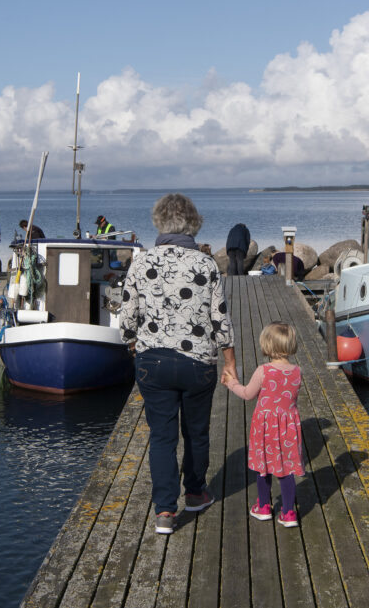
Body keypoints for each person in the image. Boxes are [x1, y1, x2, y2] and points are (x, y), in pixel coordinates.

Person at [119, 193, 237, 535]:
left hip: (152, 361)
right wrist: (229, 363)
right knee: (196, 432)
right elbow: (221, 321)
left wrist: (134, 345)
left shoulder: (141, 263)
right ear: (193, 223)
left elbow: (127, 318)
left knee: (162, 436)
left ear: (159, 222)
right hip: (198, 362)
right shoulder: (206, 264)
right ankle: (196, 492)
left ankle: (165, 513)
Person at [223, 321, 304, 528]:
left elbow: (248, 394)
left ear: (268, 345)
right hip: (288, 427)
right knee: (285, 470)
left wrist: (231, 382)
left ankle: (264, 507)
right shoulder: (297, 371)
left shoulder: (263, 370)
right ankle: (288, 513)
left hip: (265, 427)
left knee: (263, 467)